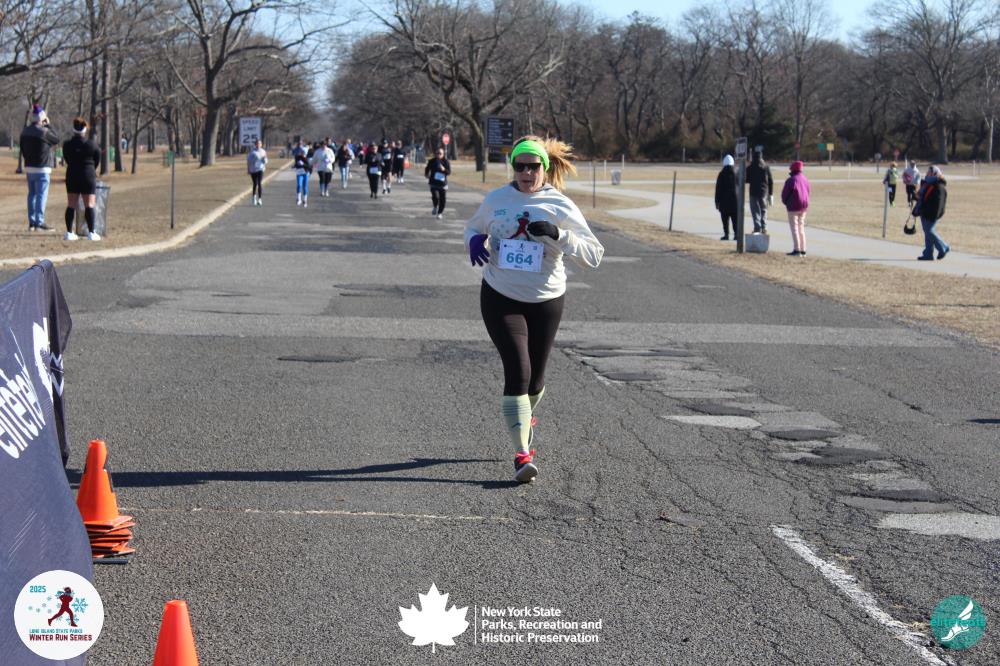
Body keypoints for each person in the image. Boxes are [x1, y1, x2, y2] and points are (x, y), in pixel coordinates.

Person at [465, 135, 604, 483]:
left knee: (536, 380)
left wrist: (559, 235)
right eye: (520, 166)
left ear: (544, 168)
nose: (526, 172)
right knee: (519, 370)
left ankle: (525, 418)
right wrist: (474, 240)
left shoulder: (560, 204)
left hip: (546, 299)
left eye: (533, 166)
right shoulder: (497, 199)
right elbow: (473, 226)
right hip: (500, 294)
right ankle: (522, 454)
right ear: (512, 167)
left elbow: (594, 255)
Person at [20, 104, 60, 232]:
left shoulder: (24, 132)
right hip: (43, 168)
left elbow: (22, 149)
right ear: (42, 117)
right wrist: (48, 125)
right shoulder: (44, 132)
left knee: (31, 195)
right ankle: (40, 222)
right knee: (41, 195)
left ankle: (32, 223)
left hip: (29, 167)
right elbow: (56, 139)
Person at [62, 117, 103, 241]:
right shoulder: (92, 144)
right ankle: (91, 232)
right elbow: (97, 159)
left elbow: (66, 158)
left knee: (71, 204)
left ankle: (69, 232)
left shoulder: (67, 144)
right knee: (89, 204)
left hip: (72, 174)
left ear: (73, 129)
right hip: (88, 175)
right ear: (85, 129)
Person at [912, 164, 949, 261]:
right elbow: (924, 197)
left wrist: (934, 214)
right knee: (927, 233)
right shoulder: (927, 184)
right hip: (924, 211)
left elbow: (939, 203)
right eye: (927, 172)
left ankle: (943, 247)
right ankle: (928, 253)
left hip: (931, 213)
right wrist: (916, 197)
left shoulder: (939, 186)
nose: (927, 174)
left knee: (929, 231)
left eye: (929, 172)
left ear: (934, 174)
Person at [781, 160, 811, 256]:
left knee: (794, 228)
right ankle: (803, 249)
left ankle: (797, 249)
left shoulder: (791, 180)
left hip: (793, 206)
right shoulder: (805, 179)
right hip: (804, 206)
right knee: (801, 227)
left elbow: (785, 195)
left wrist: (786, 202)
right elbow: (808, 192)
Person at [746, 146, 773, 233]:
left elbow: (746, 179)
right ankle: (764, 226)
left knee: (755, 210)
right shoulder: (766, 167)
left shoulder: (750, 167)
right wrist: (771, 194)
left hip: (753, 191)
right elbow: (770, 181)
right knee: (764, 209)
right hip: (763, 192)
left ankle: (757, 227)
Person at [714, 155, 739, 240]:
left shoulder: (721, 174)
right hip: (735, 201)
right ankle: (736, 234)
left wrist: (717, 201)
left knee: (725, 219)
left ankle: (726, 234)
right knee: (735, 219)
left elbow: (718, 189)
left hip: (724, 202)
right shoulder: (736, 173)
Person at [424, 147, 451, 218]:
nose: (438, 154)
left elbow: (449, 172)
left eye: (440, 153)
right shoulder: (432, 161)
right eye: (437, 153)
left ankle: (440, 213)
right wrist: (426, 174)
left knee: (443, 200)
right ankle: (435, 206)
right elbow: (427, 168)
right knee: (435, 197)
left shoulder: (446, 162)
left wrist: (444, 169)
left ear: (443, 154)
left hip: (443, 184)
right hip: (434, 183)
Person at [247, 138, 267, 206]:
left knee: (259, 183)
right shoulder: (252, 152)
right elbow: (248, 161)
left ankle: (260, 199)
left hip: (260, 169)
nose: (258, 145)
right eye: (257, 143)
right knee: (255, 184)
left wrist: (264, 159)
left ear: (261, 144)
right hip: (253, 170)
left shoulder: (263, 151)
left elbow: (266, 161)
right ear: (255, 144)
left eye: (259, 143)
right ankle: (254, 197)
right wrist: (248, 169)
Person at [292, 140, 310, 207]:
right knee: (299, 185)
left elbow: (308, 166)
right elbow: (296, 165)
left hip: (305, 173)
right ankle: (298, 199)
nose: (302, 153)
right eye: (302, 152)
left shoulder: (306, 158)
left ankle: (305, 200)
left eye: (304, 152)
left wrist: (303, 164)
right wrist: (295, 165)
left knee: (305, 186)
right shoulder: (297, 157)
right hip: (299, 173)